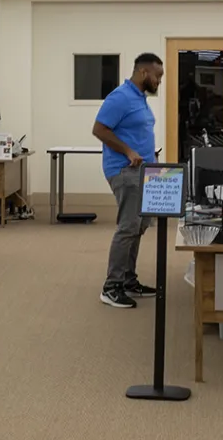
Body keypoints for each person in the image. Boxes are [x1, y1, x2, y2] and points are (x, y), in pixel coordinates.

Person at [92, 52, 164, 309]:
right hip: (124, 170)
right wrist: (128, 151)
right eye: (158, 76)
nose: (159, 81)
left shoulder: (140, 99)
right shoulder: (120, 97)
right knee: (128, 227)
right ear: (144, 73)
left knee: (139, 226)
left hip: (144, 171)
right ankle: (111, 287)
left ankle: (128, 280)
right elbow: (99, 129)